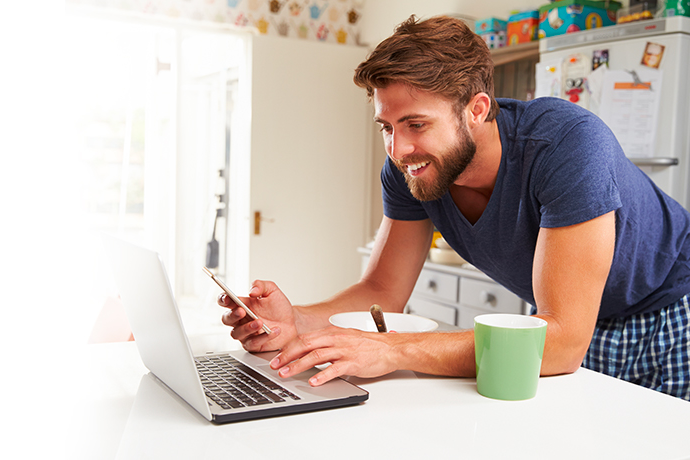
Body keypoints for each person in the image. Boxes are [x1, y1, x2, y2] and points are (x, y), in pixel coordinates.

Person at [218, 15, 690, 401]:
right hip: (552, 326)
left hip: (668, 309)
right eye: (386, 126)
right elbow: (383, 289)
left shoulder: (566, 144)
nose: (399, 148)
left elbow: (562, 341)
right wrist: (292, 320)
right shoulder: (412, 171)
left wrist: (393, 350)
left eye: (416, 123)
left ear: (477, 109)